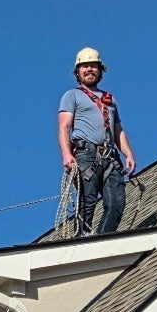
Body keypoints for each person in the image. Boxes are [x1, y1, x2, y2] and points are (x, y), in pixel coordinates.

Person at [57, 47, 139, 236]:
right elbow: (64, 127)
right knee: (87, 201)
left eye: (93, 66)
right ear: (78, 72)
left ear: (100, 70)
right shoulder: (72, 96)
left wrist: (129, 154)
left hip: (111, 157)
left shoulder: (109, 100)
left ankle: (101, 239)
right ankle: (82, 238)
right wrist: (67, 154)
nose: (89, 69)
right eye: (84, 66)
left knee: (116, 203)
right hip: (86, 154)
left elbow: (118, 130)